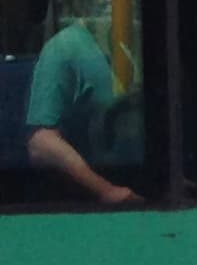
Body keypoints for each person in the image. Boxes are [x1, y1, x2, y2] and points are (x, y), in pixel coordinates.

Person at [25, 14, 133, 205]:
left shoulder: (135, 40)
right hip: (98, 196)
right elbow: (41, 143)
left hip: (145, 186)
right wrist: (106, 190)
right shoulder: (65, 47)